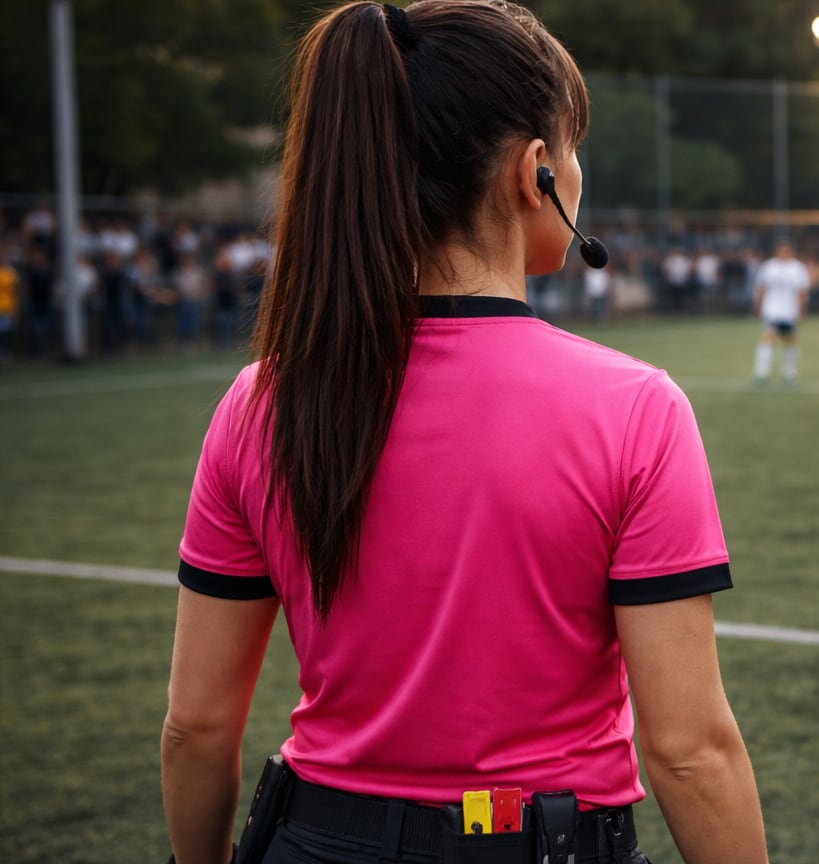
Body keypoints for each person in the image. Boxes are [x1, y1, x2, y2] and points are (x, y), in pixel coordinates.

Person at [160, 5, 767, 864]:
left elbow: (195, 727)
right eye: (574, 148)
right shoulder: (634, 406)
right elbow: (689, 751)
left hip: (312, 841)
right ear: (536, 172)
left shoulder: (259, 401)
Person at [751, 240, 811, 384]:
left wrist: (802, 309)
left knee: (790, 341)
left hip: (789, 312)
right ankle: (761, 372)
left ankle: (789, 371)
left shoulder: (798, 268)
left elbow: (802, 291)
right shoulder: (769, 267)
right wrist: (757, 305)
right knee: (767, 339)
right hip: (772, 310)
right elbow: (762, 287)